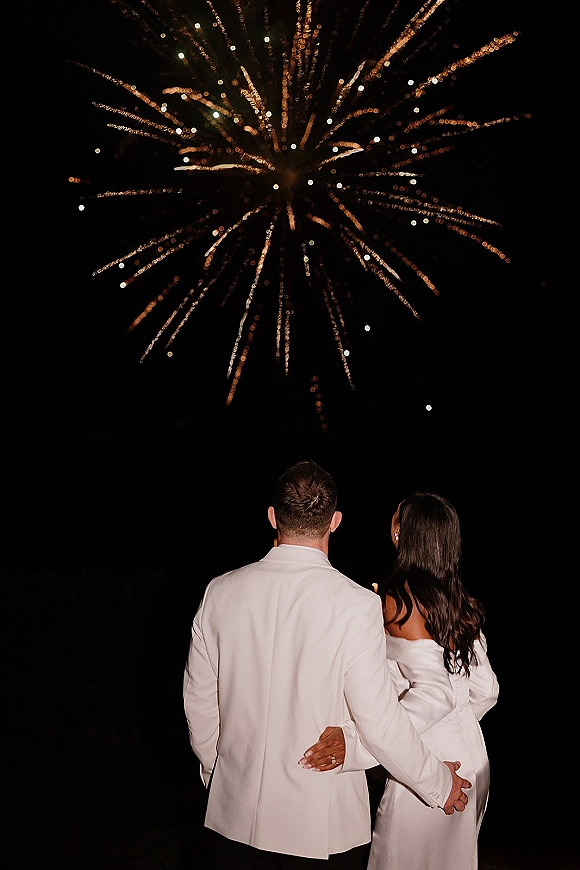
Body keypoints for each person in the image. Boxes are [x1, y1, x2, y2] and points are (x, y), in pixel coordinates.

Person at [183, 462, 471, 869]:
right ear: (335, 521)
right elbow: (380, 721)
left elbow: (199, 704)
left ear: (272, 516)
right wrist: (439, 785)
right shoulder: (356, 605)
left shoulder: (220, 592)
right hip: (318, 827)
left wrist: (224, 776)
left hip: (233, 820)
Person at [314, 491, 499, 870]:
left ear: (404, 533)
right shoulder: (458, 599)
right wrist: (455, 728)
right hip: (473, 759)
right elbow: (486, 690)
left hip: (430, 762)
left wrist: (359, 746)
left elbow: (434, 693)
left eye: (396, 518)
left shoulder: (399, 600)